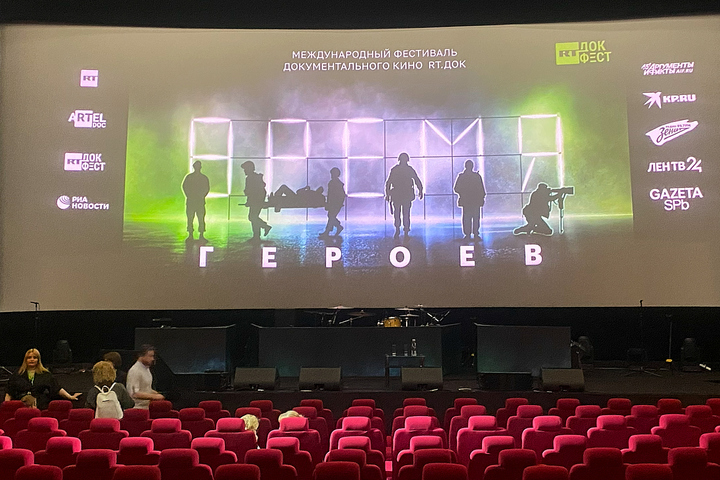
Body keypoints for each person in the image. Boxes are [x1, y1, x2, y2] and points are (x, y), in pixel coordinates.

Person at [4, 348, 82, 410]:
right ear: (25, 360)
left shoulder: (45, 374)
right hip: (21, 405)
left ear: (38, 360)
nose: (32, 359)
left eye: (34, 357)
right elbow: (9, 391)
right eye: (29, 357)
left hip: (40, 405)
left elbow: (56, 388)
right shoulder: (17, 374)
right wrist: (6, 405)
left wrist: (70, 396)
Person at [385, 152, 423, 237]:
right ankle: (405, 230)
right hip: (405, 194)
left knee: (398, 213)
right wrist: (420, 190)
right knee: (405, 213)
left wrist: (387, 194)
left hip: (398, 194)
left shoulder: (395, 169)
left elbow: (389, 183)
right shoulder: (409, 169)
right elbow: (416, 180)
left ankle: (399, 229)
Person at [454, 159, 486, 239]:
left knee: (466, 218)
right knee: (475, 217)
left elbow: (456, 188)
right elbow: (481, 189)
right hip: (475, 201)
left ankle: (467, 234)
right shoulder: (476, 176)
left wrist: (463, 193)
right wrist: (481, 198)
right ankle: (475, 233)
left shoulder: (462, 177)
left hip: (466, 201)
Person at [126, 344, 164, 409]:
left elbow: (146, 389)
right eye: (150, 356)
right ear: (141, 356)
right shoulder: (135, 370)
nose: (152, 359)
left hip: (146, 407)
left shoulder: (146, 369)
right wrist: (154, 396)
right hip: (137, 408)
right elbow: (134, 394)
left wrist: (156, 393)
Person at [241, 161, 271, 239]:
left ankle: (264, 227)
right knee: (254, 217)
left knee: (252, 217)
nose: (244, 171)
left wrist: (250, 200)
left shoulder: (250, 178)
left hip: (255, 201)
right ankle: (257, 235)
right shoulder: (255, 177)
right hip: (257, 201)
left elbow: (250, 191)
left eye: (245, 169)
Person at [182, 160, 210, 240]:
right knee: (200, 218)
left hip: (192, 201)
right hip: (199, 201)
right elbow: (207, 188)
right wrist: (202, 196)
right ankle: (201, 234)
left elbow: (184, 187)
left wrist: (189, 195)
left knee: (191, 218)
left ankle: (191, 233)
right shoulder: (204, 178)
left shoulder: (189, 177)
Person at [320, 167, 347, 237]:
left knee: (331, 216)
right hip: (336, 203)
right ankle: (333, 228)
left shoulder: (332, 183)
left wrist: (328, 203)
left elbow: (330, 194)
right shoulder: (338, 183)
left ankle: (334, 228)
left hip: (334, 203)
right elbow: (342, 194)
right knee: (331, 216)